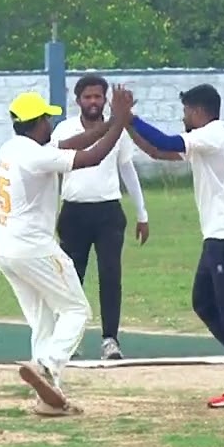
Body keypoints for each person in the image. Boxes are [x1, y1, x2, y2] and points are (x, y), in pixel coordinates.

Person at [0, 87, 135, 417]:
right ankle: (48, 366)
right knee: (76, 311)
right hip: (31, 247)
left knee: (44, 321)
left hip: (3, 246)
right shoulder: (36, 155)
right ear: (37, 122)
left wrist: (113, 121)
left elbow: (73, 145)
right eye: (47, 119)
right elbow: (92, 157)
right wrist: (121, 123)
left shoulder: (13, 148)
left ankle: (48, 397)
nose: (51, 124)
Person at [126, 83, 224, 408]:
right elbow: (158, 151)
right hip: (217, 235)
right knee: (203, 303)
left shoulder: (214, 134)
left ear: (199, 111)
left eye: (186, 112)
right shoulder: (204, 142)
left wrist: (131, 118)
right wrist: (126, 124)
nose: (184, 118)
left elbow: (165, 140)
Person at [52, 74, 150, 361]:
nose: (93, 102)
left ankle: (110, 339)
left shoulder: (117, 130)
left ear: (106, 99)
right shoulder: (64, 129)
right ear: (78, 100)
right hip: (73, 212)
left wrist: (142, 213)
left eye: (98, 97)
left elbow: (127, 170)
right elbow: (52, 171)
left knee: (110, 275)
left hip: (108, 211)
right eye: (88, 97)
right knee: (71, 278)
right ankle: (70, 340)